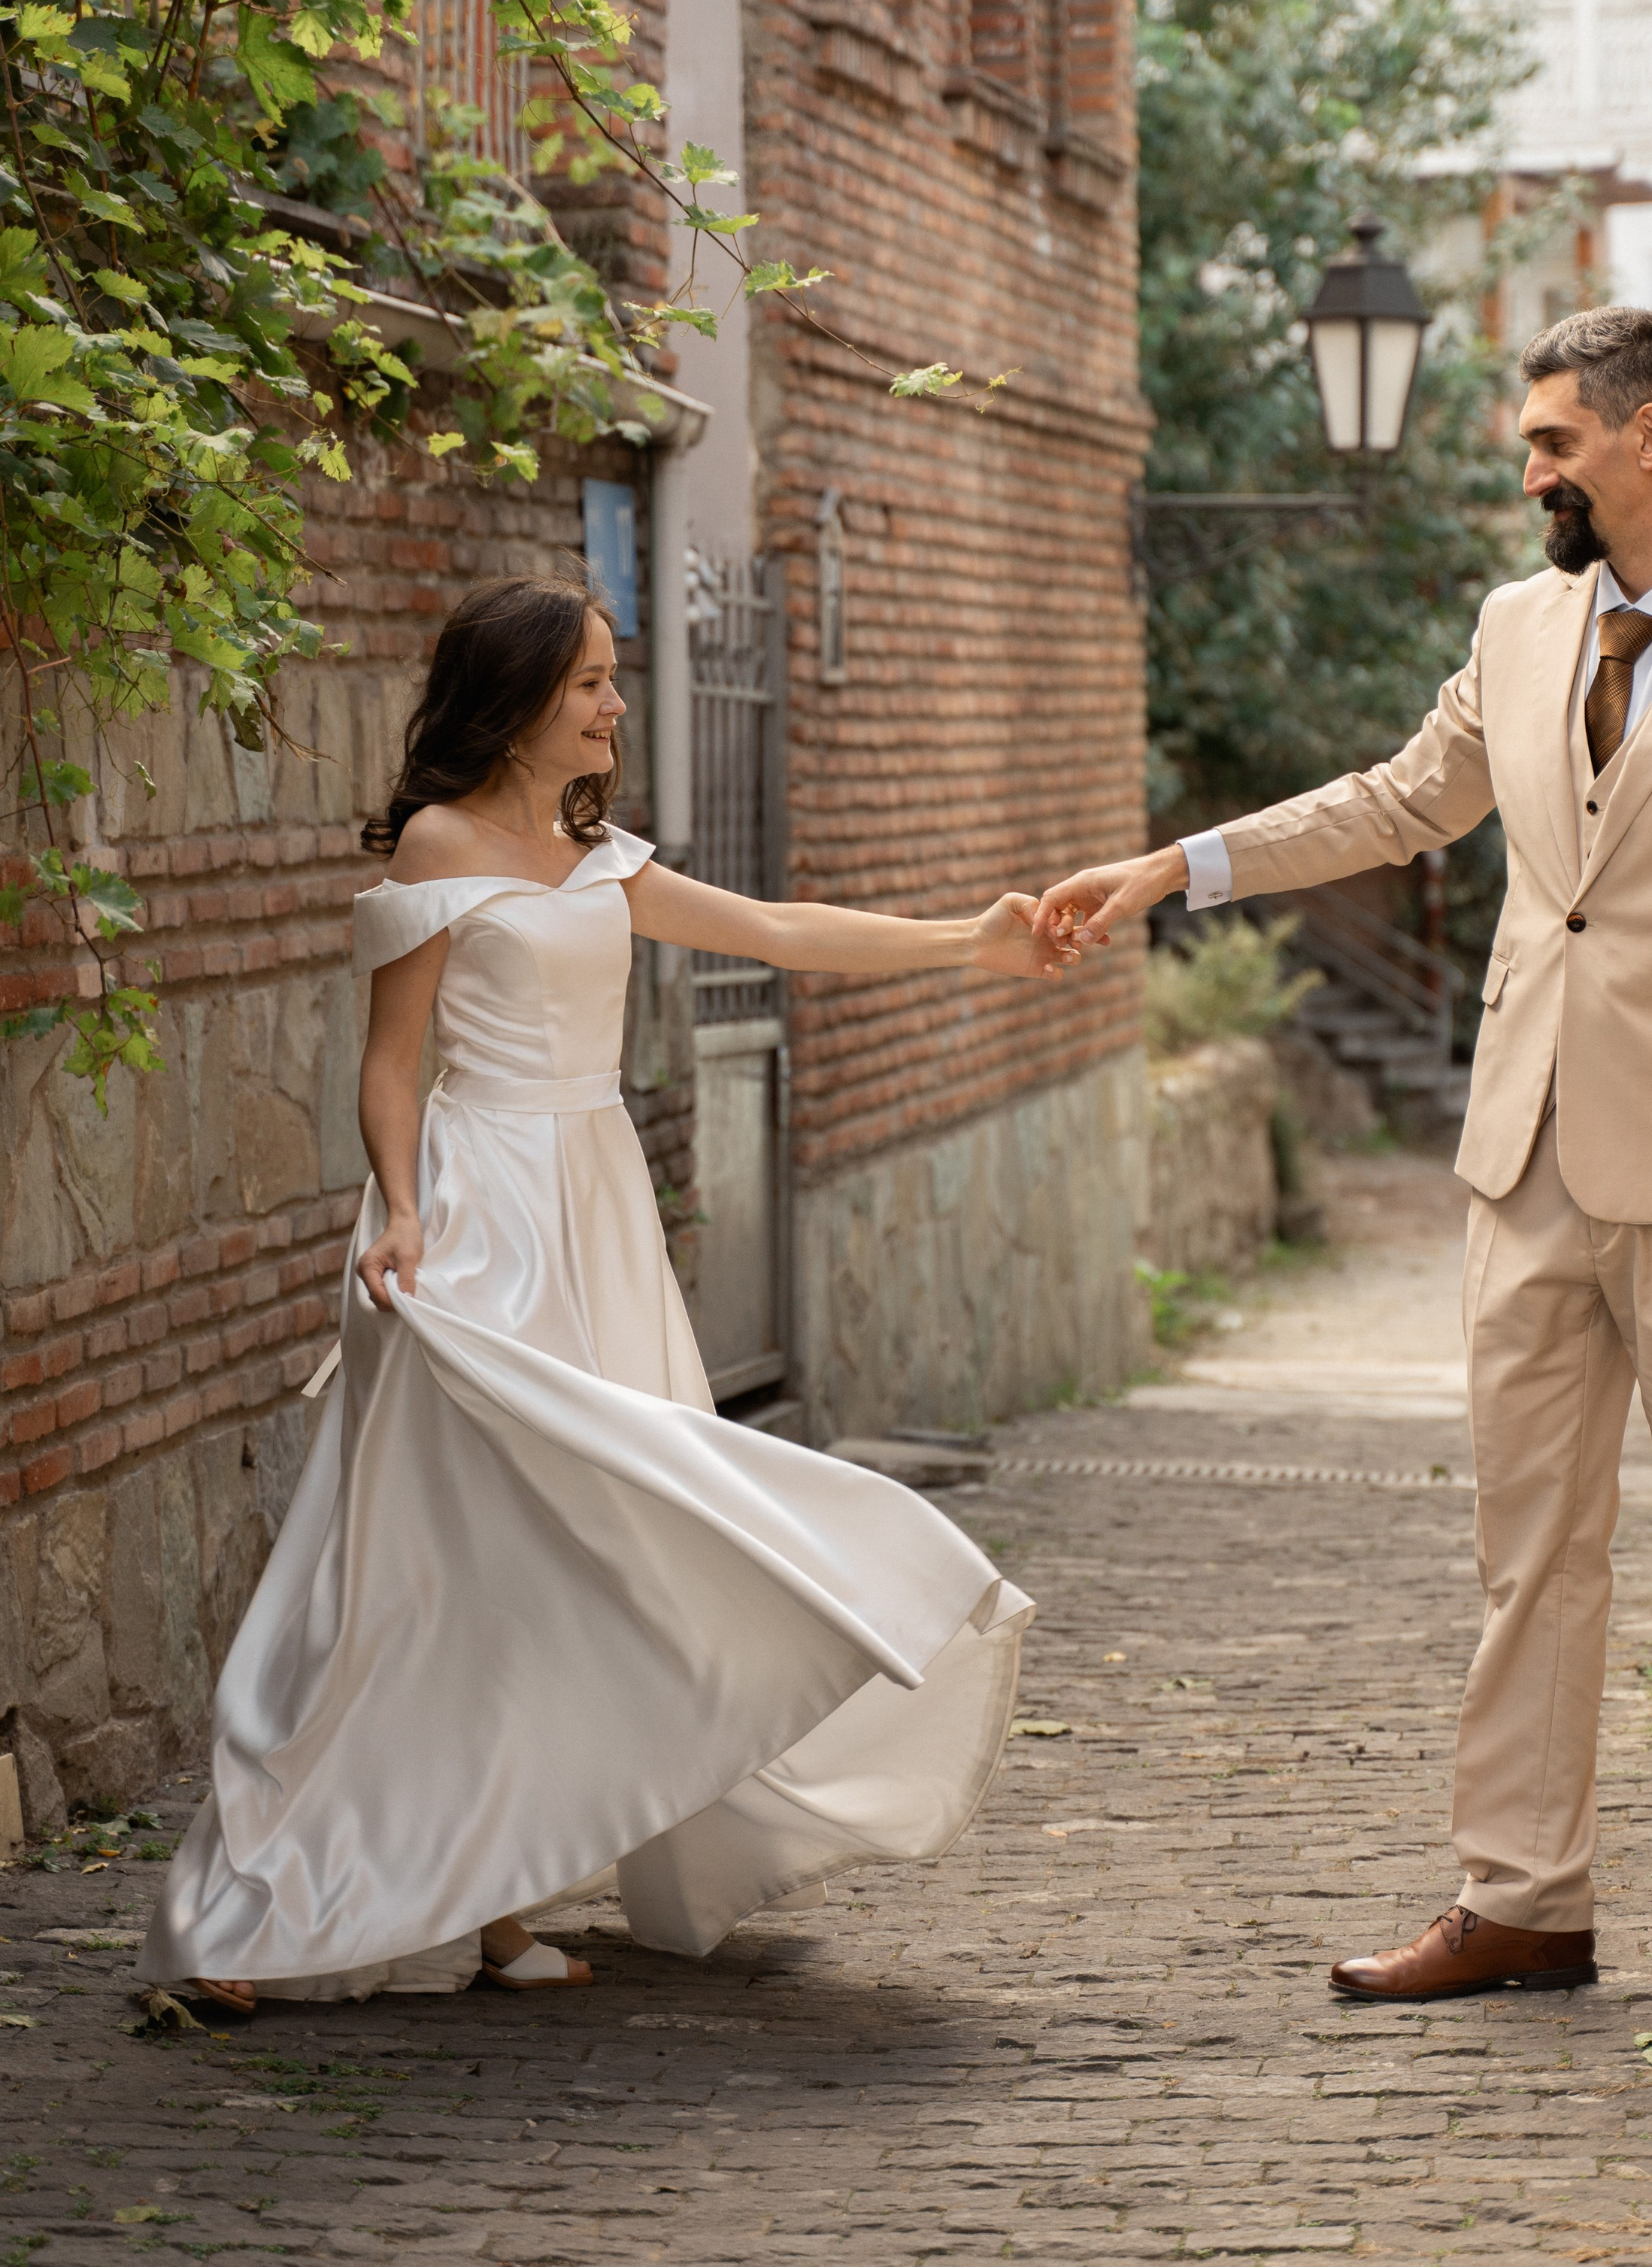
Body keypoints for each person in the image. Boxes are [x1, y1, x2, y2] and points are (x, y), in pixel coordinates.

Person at [1032, 305, 1652, 2008]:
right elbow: (1391, 802)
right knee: (1525, 1546)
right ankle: (1521, 1896)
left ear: (1648, 439)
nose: (1529, 475)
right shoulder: (1514, 629)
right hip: (1523, 1155)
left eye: (1552, 444)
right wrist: (1171, 870)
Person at [139, 568, 1042, 2014]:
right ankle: (271, 1912)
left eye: (614, 679)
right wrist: (405, 1215)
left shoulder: (601, 851)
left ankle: (504, 1898)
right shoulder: (438, 845)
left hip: (598, 1208)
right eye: (592, 684)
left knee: (600, 1547)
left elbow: (783, 930)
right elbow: (389, 1064)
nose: (618, 704)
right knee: (439, 1571)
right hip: (477, 1218)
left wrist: (972, 941)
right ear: (519, 701)